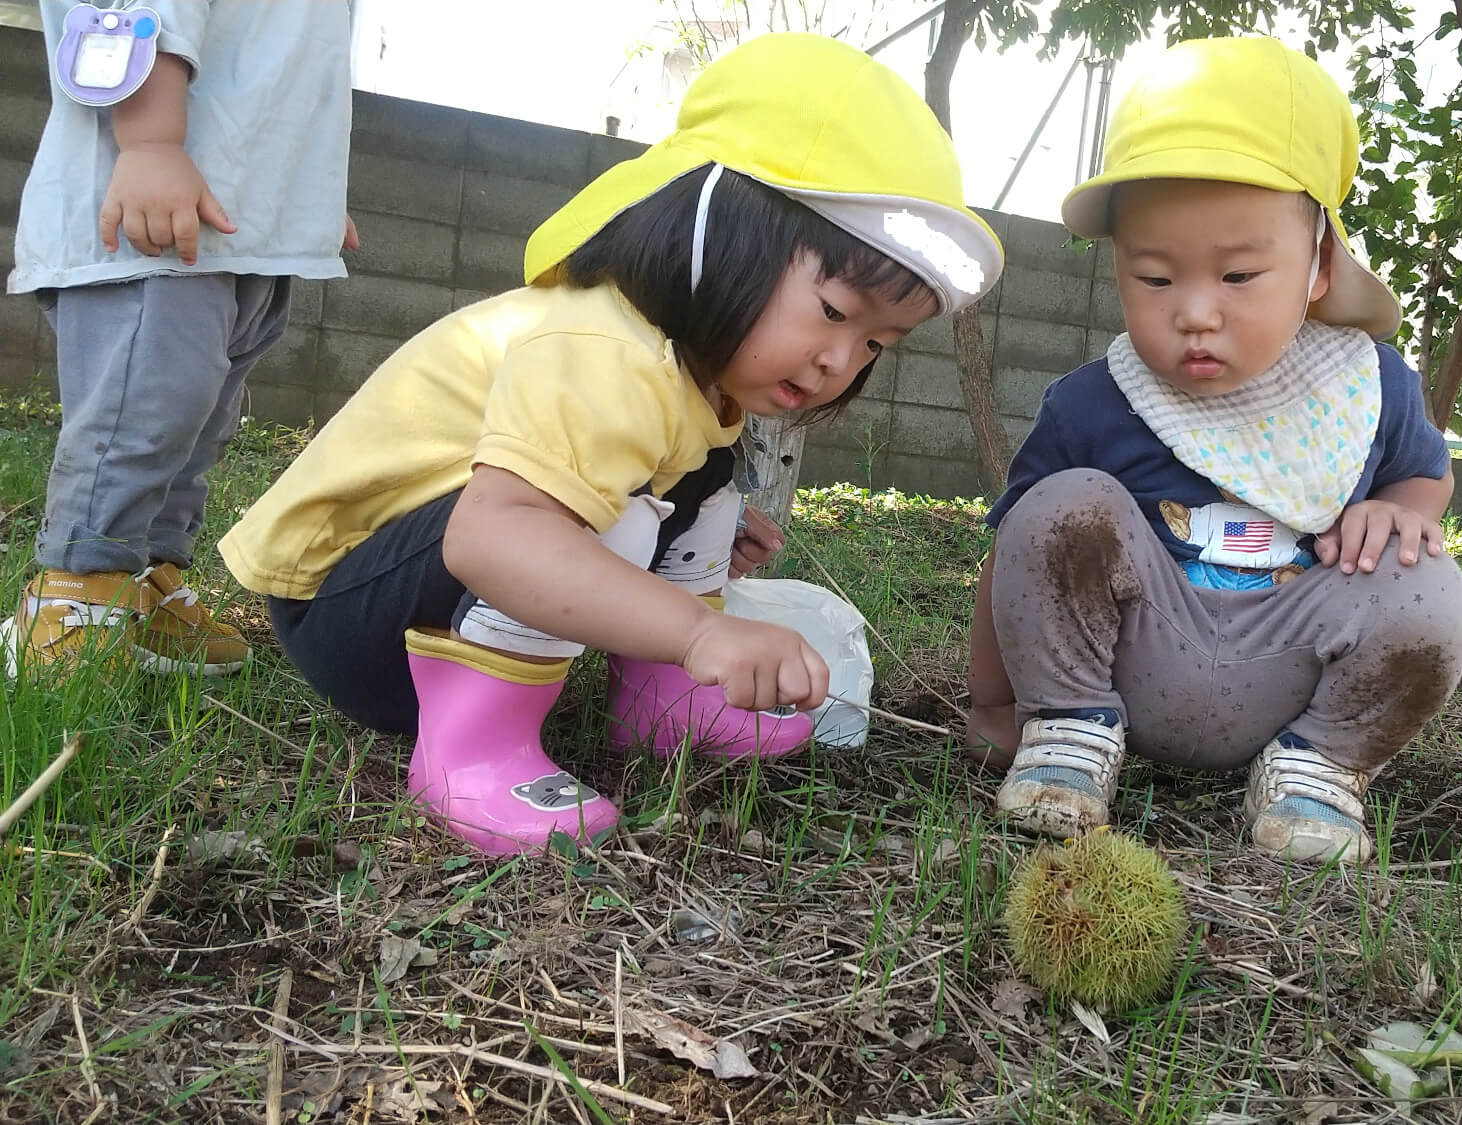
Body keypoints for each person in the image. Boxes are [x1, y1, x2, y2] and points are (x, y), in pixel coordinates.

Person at [218, 33, 1002, 856]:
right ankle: (472, 750)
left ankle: (664, 700)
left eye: (877, 344)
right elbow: (494, 533)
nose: (841, 359)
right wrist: (703, 631)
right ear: (720, 231)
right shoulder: (608, 351)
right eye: (837, 312)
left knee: (702, 479)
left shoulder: (686, 382)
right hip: (341, 612)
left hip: (409, 579)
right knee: (600, 516)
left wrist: (695, 551)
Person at [967, 36, 1462, 864]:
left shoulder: (1368, 387)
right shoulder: (1094, 401)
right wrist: (995, 699)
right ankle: (1066, 729)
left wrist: (1400, 509)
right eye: (1156, 278)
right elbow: (1020, 550)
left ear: (1319, 264)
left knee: (1435, 593)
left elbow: (1428, 473)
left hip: (1289, 661)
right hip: (1132, 662)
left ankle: (1321, 765)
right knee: (1060, 505)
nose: (1195, 312)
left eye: (1239, 276)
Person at [5, 0, 355, 679]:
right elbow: (144, 12)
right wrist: (151, 143)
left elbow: (281, 66)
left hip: (239, 228)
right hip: (153, 214)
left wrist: (304, 191)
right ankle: (76, 588)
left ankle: (145, 579)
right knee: (145, 409)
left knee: (201, 420)